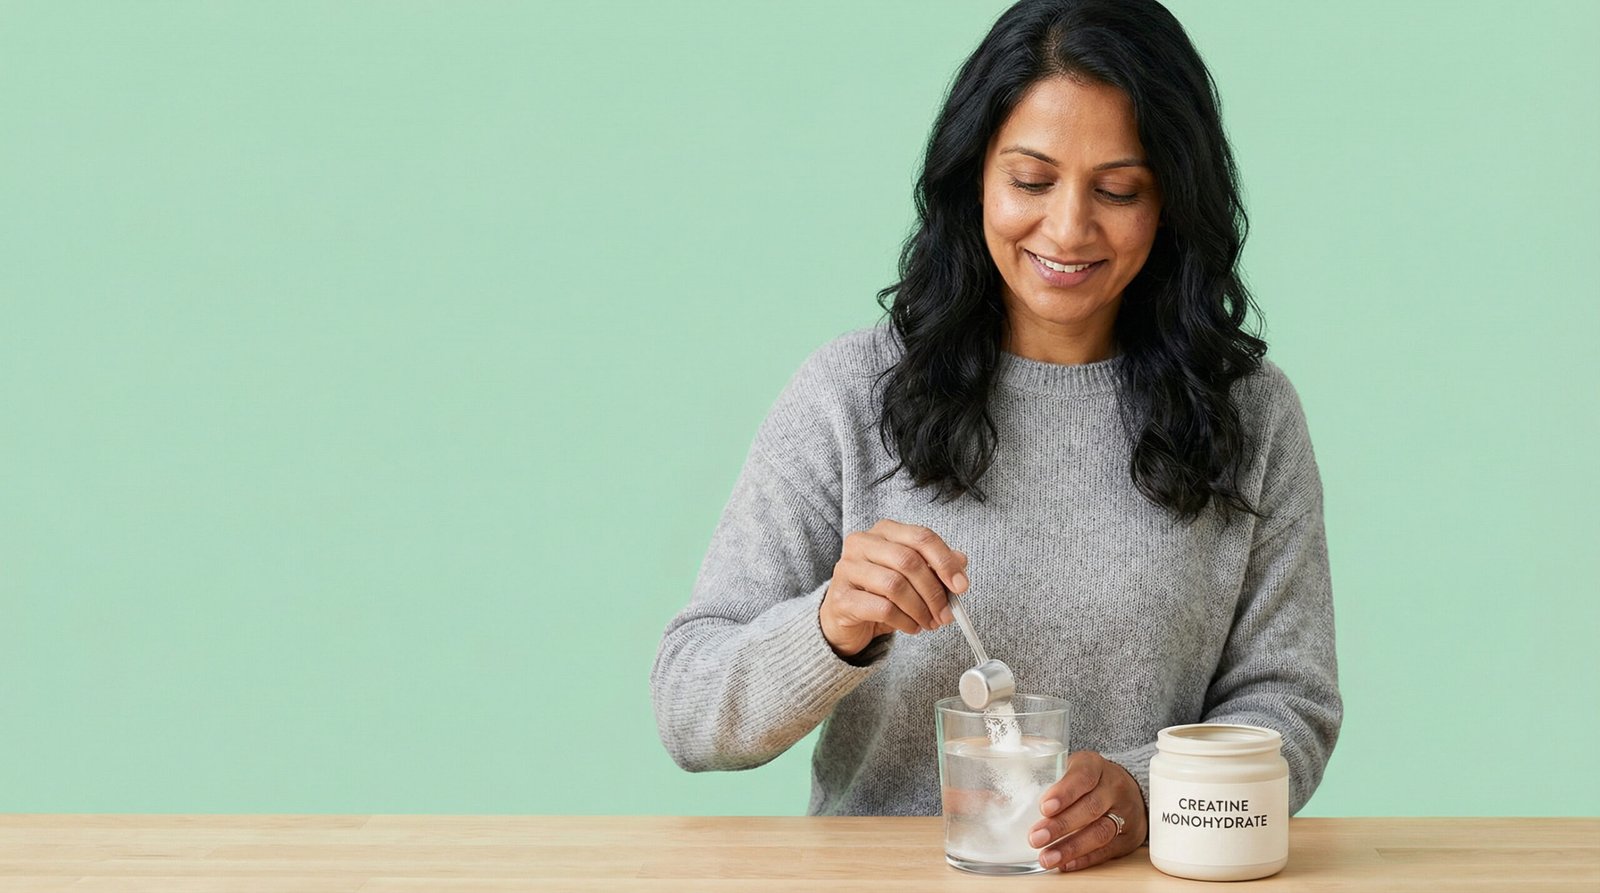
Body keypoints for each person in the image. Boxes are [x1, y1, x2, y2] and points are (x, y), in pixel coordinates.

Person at [650, 0, 1341, 875]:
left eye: (1119, 190)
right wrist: (830, 628)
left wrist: (1141, 797)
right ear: (973, 176)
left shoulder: (1251, 415)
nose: (1068, 229)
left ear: (1172, 202)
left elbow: (1291, 708)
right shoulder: (847, 396)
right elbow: (688, 705)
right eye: (1031, 180)